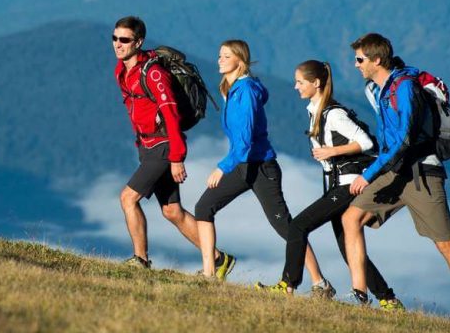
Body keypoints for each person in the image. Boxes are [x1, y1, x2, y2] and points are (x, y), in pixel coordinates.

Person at [342, 33, 450, 326]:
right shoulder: (381, 89)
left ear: (376, 60)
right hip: (396, 172)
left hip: (423, 175)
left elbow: (403, 140)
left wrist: (368, 174)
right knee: (351, 218)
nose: (355, 65)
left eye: (359, 59)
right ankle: (359, 296)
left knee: (446, 244)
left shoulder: (404, 88)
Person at [262, 60, 403, 308]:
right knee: (347, 248)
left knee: (298, 226)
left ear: (316, 83)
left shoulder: (334, 114)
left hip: (348, 185)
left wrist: (331, 152)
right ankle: (388, 299)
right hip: (337, 184)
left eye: (300, 82)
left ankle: (287, 285)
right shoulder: (315, 110)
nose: (295, 87)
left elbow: (367, 142)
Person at [194, 40, 331, 294]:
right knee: (204, 207)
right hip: (243, 165)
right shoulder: (232, 88)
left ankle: (319, 283)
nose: (219, 60)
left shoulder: (245, 91)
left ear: (240, 60)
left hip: (261, 168)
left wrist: (221, 167)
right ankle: (209, 274)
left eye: (226, 56)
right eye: (219, 55)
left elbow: (244, 140)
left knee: (287, 227)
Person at [113, 16, 235, 278]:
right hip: (148, 146)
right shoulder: (121, 71)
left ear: (139, 42)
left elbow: (170, 115)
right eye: (115, 38)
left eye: (124, 40)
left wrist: (177, 157)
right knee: (172, 211)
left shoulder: (154, 74)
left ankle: (140, 260)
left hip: (164, 148)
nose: (118, 44)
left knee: (127, 198)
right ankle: (219, 259)